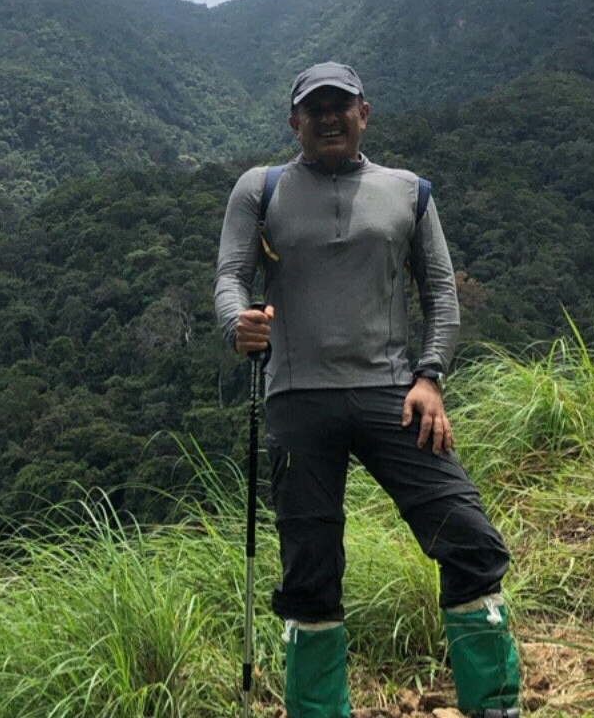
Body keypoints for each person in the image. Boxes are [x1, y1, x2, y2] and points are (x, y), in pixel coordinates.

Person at [214, 62, 520, 718]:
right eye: (314, 109)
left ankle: (495, 705)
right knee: (310, 571)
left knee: (467, 536)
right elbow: (230, 278)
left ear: (364, 113)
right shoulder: (259, 189)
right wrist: (235, 323)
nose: (328, 118)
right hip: (297, 399)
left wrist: (431, 376)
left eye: (340, 106)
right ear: (294, 121)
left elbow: (440, 292)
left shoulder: (409, 191)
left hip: (394, 393)